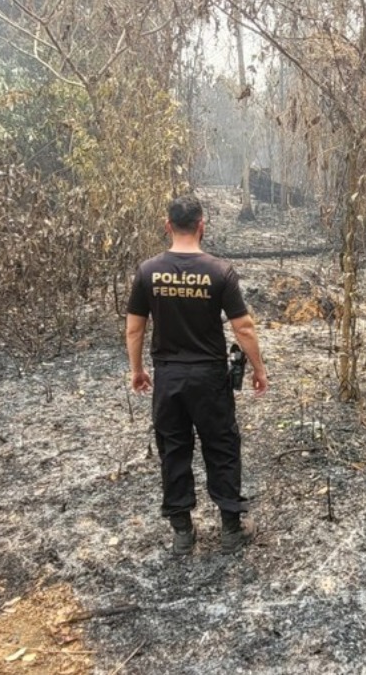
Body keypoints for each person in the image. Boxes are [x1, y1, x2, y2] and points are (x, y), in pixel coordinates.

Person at [126, 194, 268, 555]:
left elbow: (134, 329)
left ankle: (182, 533)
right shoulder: (219, 272)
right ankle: (231, 528)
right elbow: (244, 328)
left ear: (167, 225)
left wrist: (138, 370)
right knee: (221, 445)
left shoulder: (147, 272)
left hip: (168, 376)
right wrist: (258, 369)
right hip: (208, 376)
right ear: (202, 225)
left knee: (174, 449)